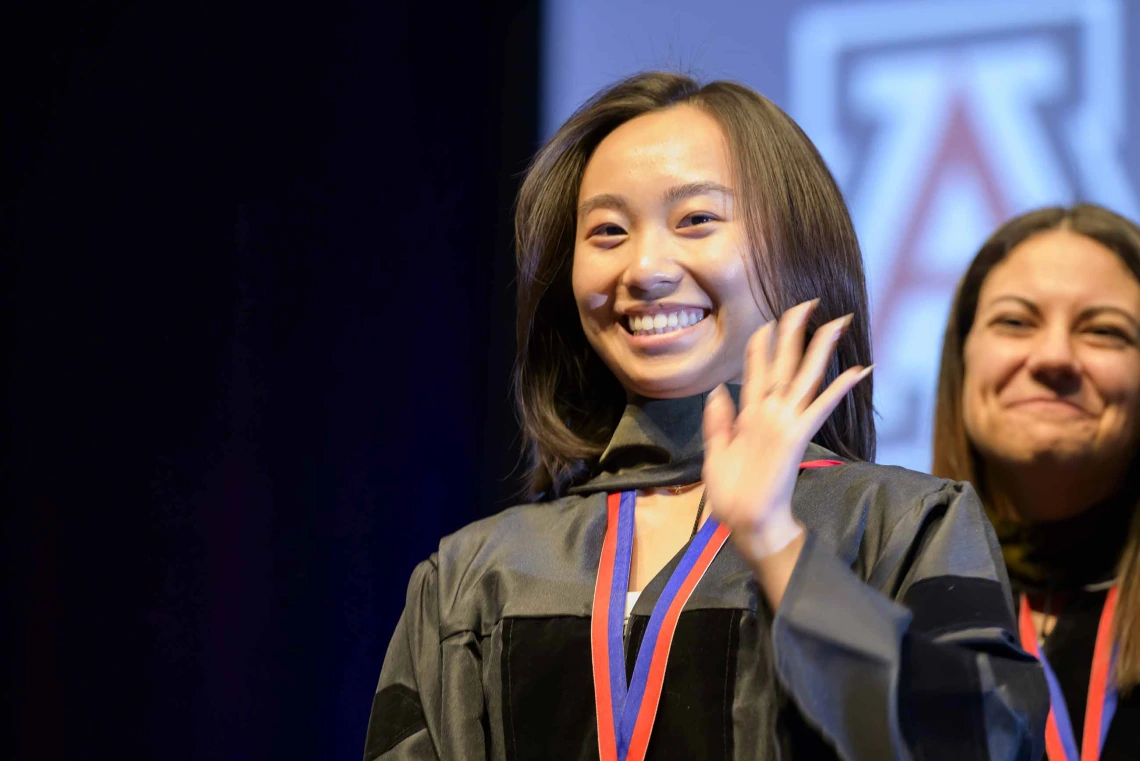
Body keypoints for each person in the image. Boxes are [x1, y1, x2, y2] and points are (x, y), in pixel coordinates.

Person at [364, 72, 1046, 761]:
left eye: (696, 219)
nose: (645, 267)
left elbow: (989, 745)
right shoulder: (476, 574)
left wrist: (775, 542)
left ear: (798, 247)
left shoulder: (904, 525)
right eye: (606, 231)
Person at [933, 204, 1140, 761]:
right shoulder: (881, 596)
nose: (1054, 357)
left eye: (1104, 331)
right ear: (963, 357)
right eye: (1016, 322)